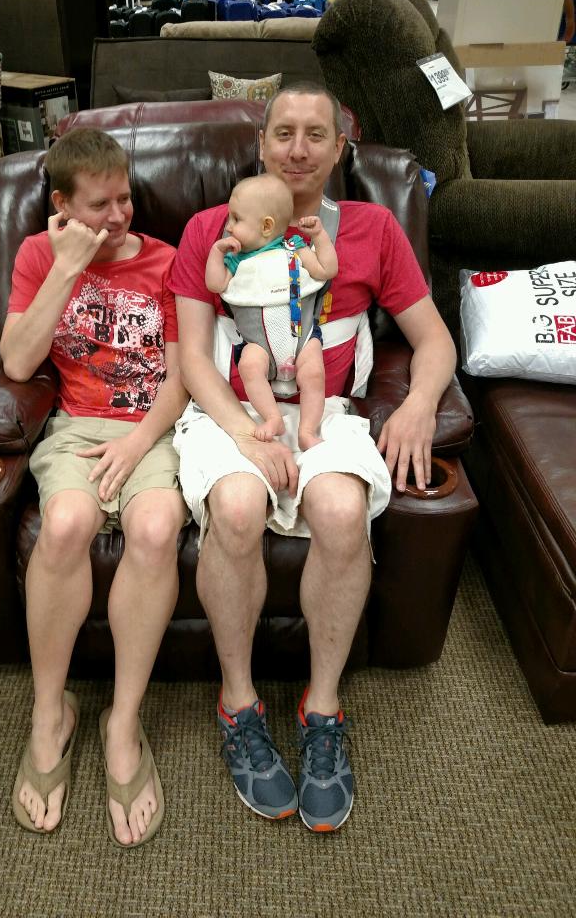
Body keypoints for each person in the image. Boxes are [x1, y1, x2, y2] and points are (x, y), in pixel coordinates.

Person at [170, 82, 456, 832]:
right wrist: (243, 433)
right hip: (231, 407)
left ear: (339, 149)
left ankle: (321, 709)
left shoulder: (371, 229)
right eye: (284, 133)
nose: (298, 149)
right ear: (261, 144)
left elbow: (433, 339)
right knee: (236, 507)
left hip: (323, 410)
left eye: (316, 135)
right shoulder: (211, 229)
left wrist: (420, 402)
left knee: (340, 509)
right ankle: (238, 704)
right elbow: (193, 358)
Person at [0, 127, 188, 847]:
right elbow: (18, 364)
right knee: (67, 524)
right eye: (99, 204)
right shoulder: (37, 256)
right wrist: (65, 268)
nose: (118, 215)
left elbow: (183, 376)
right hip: (77, 427)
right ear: (62, 205)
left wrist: (139, 442)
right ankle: (51, 714)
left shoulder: (167, 261)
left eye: (125, 199)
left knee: (154, 529)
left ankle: (122, 722)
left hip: (152, 429)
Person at [205, 173, 338, 448]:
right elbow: (215, 284)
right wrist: (217, 252)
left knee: (314, 373)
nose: (228, 226)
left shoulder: (296, 249)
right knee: (249, 366)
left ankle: (308, 431)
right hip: (259, 344)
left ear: (266, 226)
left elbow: (326, 269)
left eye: (236, 219)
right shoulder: (235, 261)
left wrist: (319, 236)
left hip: (302, 339)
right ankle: (272, 417)